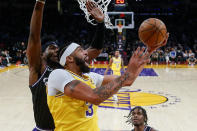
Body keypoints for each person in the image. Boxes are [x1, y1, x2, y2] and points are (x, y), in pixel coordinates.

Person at [47, 33, 168, 130]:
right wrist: (126, 74)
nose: (86, 52)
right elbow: (95, 97)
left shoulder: (90, 77)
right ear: (69, 59)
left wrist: (150, 50)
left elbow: (128, 80)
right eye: (80, 50)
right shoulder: (58, 74)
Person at [26, 0, 106, 130]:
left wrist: (100, 23)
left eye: (58, 48)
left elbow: (96, 49)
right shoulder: (38, 69)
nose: (56, 49)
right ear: (42, 54)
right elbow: (34, 36)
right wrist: (40, 2)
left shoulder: (69, 67)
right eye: (51, 47)